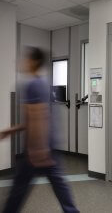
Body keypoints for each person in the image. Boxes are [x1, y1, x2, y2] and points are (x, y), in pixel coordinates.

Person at [0, 47, 79, 213]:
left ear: (34, 62)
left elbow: (38, 116)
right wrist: (12, 130)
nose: (23, 62)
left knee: (17, 191)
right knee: (60, 188)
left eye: (26, 58)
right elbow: (36, 118)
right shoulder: (43, 83)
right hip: (48, 146)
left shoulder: (32, 85)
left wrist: (38, 151)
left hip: (36, 150)